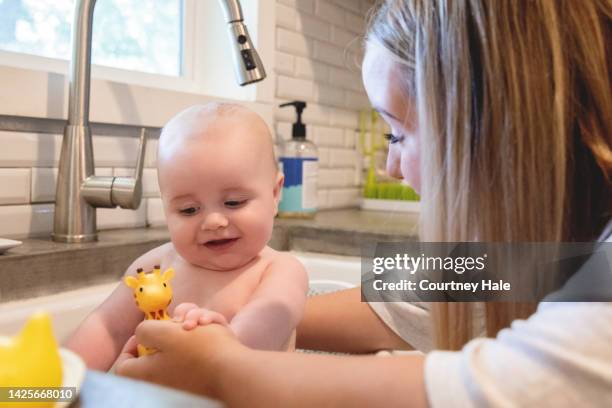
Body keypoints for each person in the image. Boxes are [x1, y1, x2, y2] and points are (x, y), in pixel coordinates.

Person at [115, 0, 612, 406]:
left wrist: (224, 367)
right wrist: (221, 308)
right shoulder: (548, 246)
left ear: (494, 126)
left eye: (397, 134)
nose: (390, 169)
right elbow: (418, 291)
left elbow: (516, 385)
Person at [67, 103, 309, 370]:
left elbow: (260, 334)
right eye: (189, 209)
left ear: (275, 194)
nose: (214, 221)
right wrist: (50, 385)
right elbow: (107, 328)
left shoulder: (280, 270)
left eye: (234, 202)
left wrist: (219, 342)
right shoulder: (154, 267)